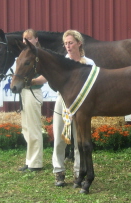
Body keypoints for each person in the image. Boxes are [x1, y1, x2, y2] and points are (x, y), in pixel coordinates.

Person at [52, 30, 95, 186]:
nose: (68, 46)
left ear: (79, 43)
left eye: (70, 43)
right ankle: (59, 171)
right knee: (59, 137)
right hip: (62, 102)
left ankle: (79, 171)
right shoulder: (61, 62)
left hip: (81, 104)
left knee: (79, 139)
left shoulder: (89, 63)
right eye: (65, 43)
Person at [18, 29, 47, 172]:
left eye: (29, 38)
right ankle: (30, 160)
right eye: (24, 39)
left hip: (33, 91)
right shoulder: (24, 53)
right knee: (26, 127)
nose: (25, 41)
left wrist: (32, 81)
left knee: (34, 127)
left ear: (36, 39)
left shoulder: (40, 54)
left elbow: (45, 76)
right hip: (23, 91)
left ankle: (36, 163)